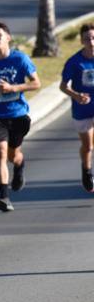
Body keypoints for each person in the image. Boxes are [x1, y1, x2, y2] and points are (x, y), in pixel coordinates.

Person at [0, 22, 41, 212]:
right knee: (1, 153)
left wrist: (14, 88)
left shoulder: (20, 59)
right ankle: (3, 197)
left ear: (8, 37)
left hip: (18, 115)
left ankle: (19, 167)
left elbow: (36, 83)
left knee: (14, 156)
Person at [59, 22, 94, 193]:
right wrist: (77, 96)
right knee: (88, 146)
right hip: (82, 110)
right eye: (87, 39)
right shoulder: (74, 62)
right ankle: (86, 170)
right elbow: (63, 86)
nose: (91, 42)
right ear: (81, 41)